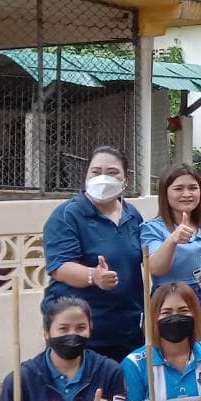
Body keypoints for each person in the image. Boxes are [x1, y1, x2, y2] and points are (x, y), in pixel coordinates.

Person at [42, 146, 145, 361]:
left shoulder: (132, 215)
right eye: (96, 172)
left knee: (123, 391)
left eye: (113, 172)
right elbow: (59, 266)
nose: (103, 178)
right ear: (86, 177)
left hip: (127, 329)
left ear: (126, 180)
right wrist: (93, 276)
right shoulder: (67, 215)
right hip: (80, 331)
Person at [142, 163, 201, 347]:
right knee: (171, 354)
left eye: (192, 188)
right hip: (169, 305)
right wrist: (172, 240)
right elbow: (156, 267)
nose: (187, 194)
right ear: (165, 193)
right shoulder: (152, 228)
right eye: (178, 188)